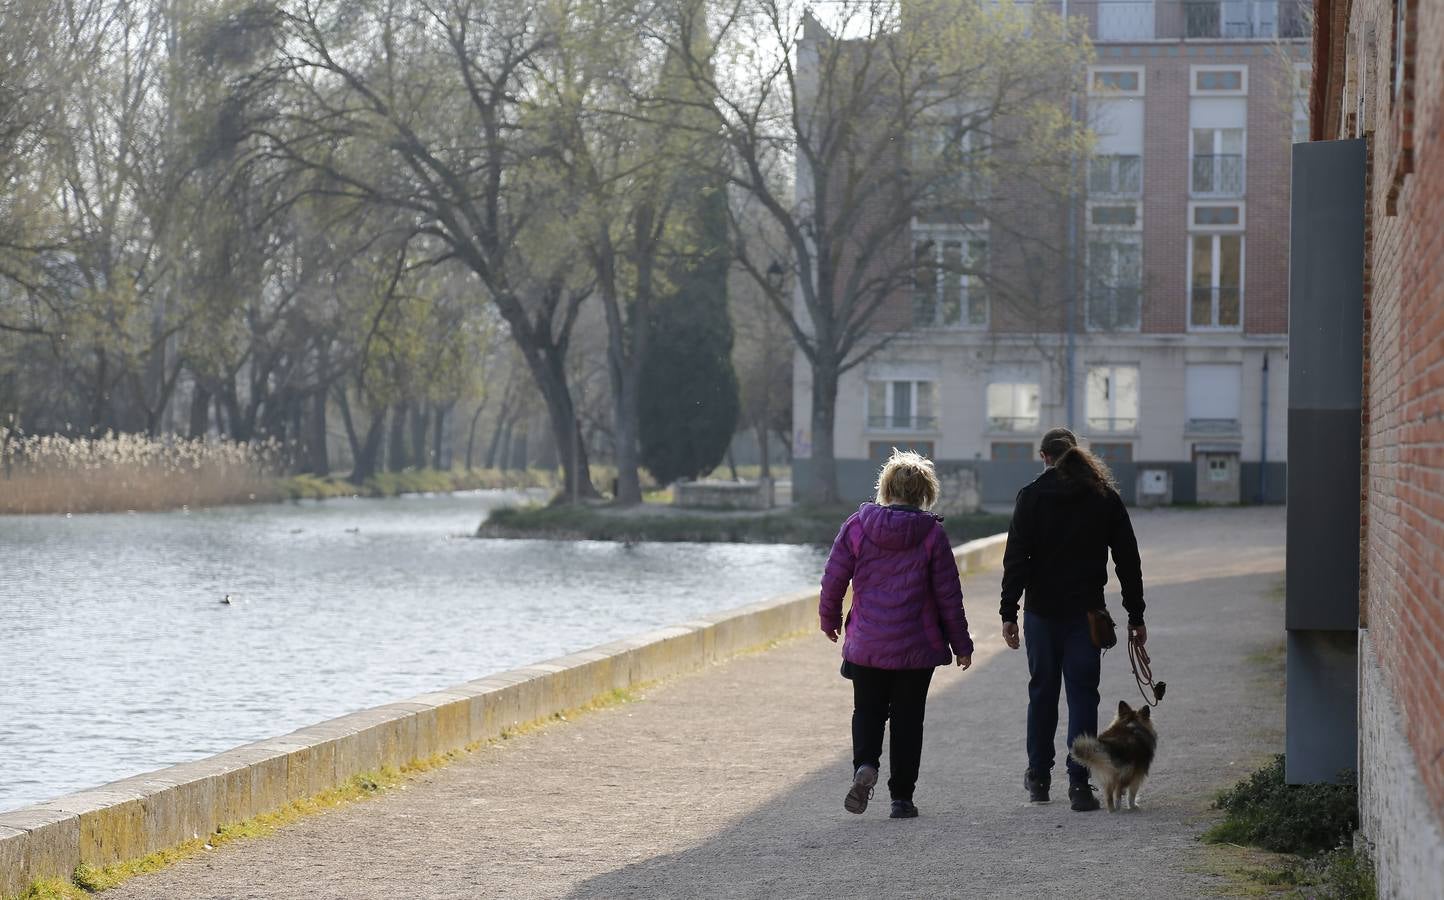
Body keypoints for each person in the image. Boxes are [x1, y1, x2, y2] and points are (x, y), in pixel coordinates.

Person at [819, 449, 974, 819]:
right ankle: (901, 798)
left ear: (885, 488)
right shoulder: (932, 535)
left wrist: (830, 619)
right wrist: (961, 644)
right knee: (908, 721)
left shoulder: (857, 526)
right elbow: (948, 594)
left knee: (867, 711)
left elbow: (833, 579)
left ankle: (865, 765)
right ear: (924, 492)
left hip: (868, 643)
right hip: (916, 646)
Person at [999, 427, 1145, 812]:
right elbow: (1127, 560)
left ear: (1044, 456)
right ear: (1076, 455)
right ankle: (1080, 784)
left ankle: (1038, 778)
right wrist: (1135, 615)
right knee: (1083, 696)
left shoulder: (1030, 497)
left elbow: (1016, 559)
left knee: (1042, 693)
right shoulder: (1103, 497)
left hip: (1041, 613)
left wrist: (1008, 612)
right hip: (1087, 615)